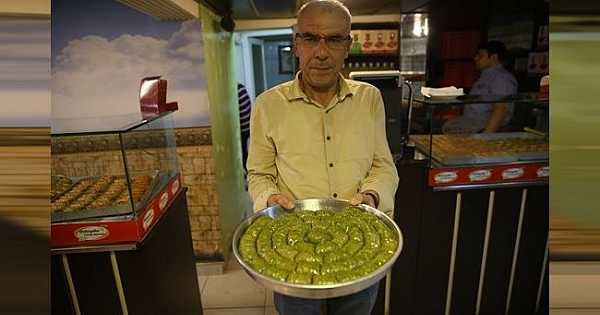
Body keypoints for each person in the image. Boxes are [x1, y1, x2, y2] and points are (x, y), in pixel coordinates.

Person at [246, 0, 399, 314]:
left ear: (348, 45)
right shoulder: (267, 105)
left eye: (334, 39)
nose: (321, 52)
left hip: (358, 249)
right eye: (311, 38)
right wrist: (269, 197)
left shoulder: (369, 98)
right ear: (297, 43)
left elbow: (383, 164)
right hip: (292, 250)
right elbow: (258, 174)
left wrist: (371, 195)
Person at [442, 40, 518, 133]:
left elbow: (501, 109)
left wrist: (484, 137)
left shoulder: (502, 78)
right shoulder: (486, 76)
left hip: (482, 127)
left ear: (494, 57)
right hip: (472, 123)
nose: (476, 58)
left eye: (480, 55)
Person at [238, 83, 252, 174]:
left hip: (243, 130)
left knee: (244, 155)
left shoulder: (239, 90)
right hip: (246, 128)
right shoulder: (240, 88)